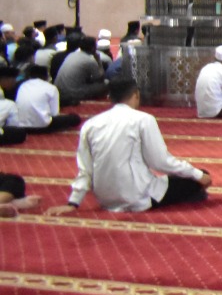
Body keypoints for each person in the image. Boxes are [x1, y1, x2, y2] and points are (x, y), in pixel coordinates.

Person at [44, 78, 211, 214]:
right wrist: (196, 174)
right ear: (136, 95)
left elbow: (85, 168)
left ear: (109, 98)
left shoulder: (91, 124)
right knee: (199, 177)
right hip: (138, 197)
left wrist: (73, 203)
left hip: (104, 198)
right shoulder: (143, 119)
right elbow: (160, 162)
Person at [12, 63, 83, 133]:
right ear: (46, 76)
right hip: (43, 126)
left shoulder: (23, 86)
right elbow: (54, 113)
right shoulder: (51, 88)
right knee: (74, 119)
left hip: (21, 125)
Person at [54, 36, 109, 104]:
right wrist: (98, 60)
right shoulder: (90, 60)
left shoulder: (72, 54)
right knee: (106, 84)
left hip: (59, 90)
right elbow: (100, 79)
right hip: (72, 93)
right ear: (93, 48)